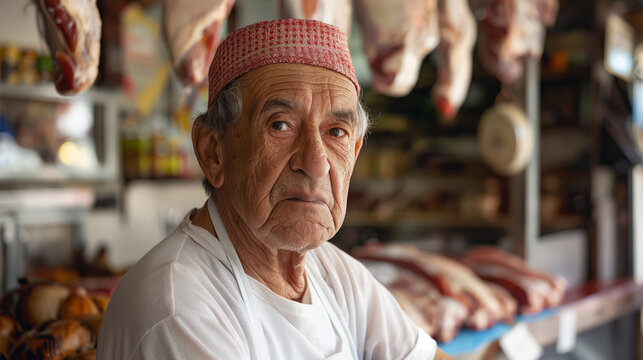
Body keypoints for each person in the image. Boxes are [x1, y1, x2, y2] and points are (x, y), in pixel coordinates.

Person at [98, 19, 452, 360]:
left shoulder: (334, 274)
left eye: (337, 133)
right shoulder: (179, 307)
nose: (316, 163)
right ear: (213, 151)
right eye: (280, 125)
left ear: (354, 153)